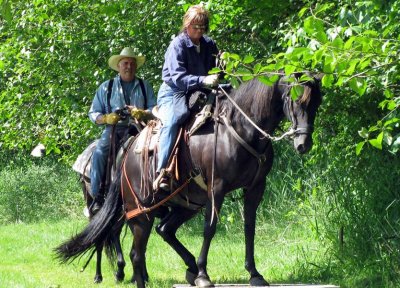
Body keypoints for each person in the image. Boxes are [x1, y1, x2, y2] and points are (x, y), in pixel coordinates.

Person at [154, 4, 220, 191]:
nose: (198, 31)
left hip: (200, 90)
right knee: (176, 119)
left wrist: (222, 70)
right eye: (194, 26)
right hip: (174, 91)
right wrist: (204, 79)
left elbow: (216, 70)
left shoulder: (209, 44)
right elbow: (178, 78)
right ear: (186, 25)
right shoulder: (178, 44)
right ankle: (162, 170)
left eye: (202, 27)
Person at [89, 47, 156, 213]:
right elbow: (93, 112)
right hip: (114, 129)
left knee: (157, 151)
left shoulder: (144, 86)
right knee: (99, 154)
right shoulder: (106, 87)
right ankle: (97, 197)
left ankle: (156, 193)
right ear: (118, 66)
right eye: (125, 63)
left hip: (140, 129)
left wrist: (143, 113)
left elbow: (155, 109)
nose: (129, 66)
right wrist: (106, 118)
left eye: (132, 63)